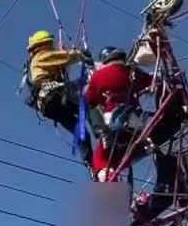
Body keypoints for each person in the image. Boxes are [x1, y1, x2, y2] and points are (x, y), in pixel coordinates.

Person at [24, 30, 93, 163]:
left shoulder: (41, 67)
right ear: (45, 44)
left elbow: (65, 83)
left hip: (49, 105)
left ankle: (90, 162)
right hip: (54, 96)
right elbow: (64, 57)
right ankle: (103, 131)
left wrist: (82, 80)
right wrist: (81, 55)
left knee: (81, 131)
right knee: (90, 107)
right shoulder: (41, 56)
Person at [84, 46, 152, 181]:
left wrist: (98, 127)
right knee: (127, 154)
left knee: (100, 159)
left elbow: (89, 101)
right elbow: (151, 81)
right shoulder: (133, 72)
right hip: (136, 123)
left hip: (113, 123)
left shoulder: (98, 76)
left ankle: (110, 185)